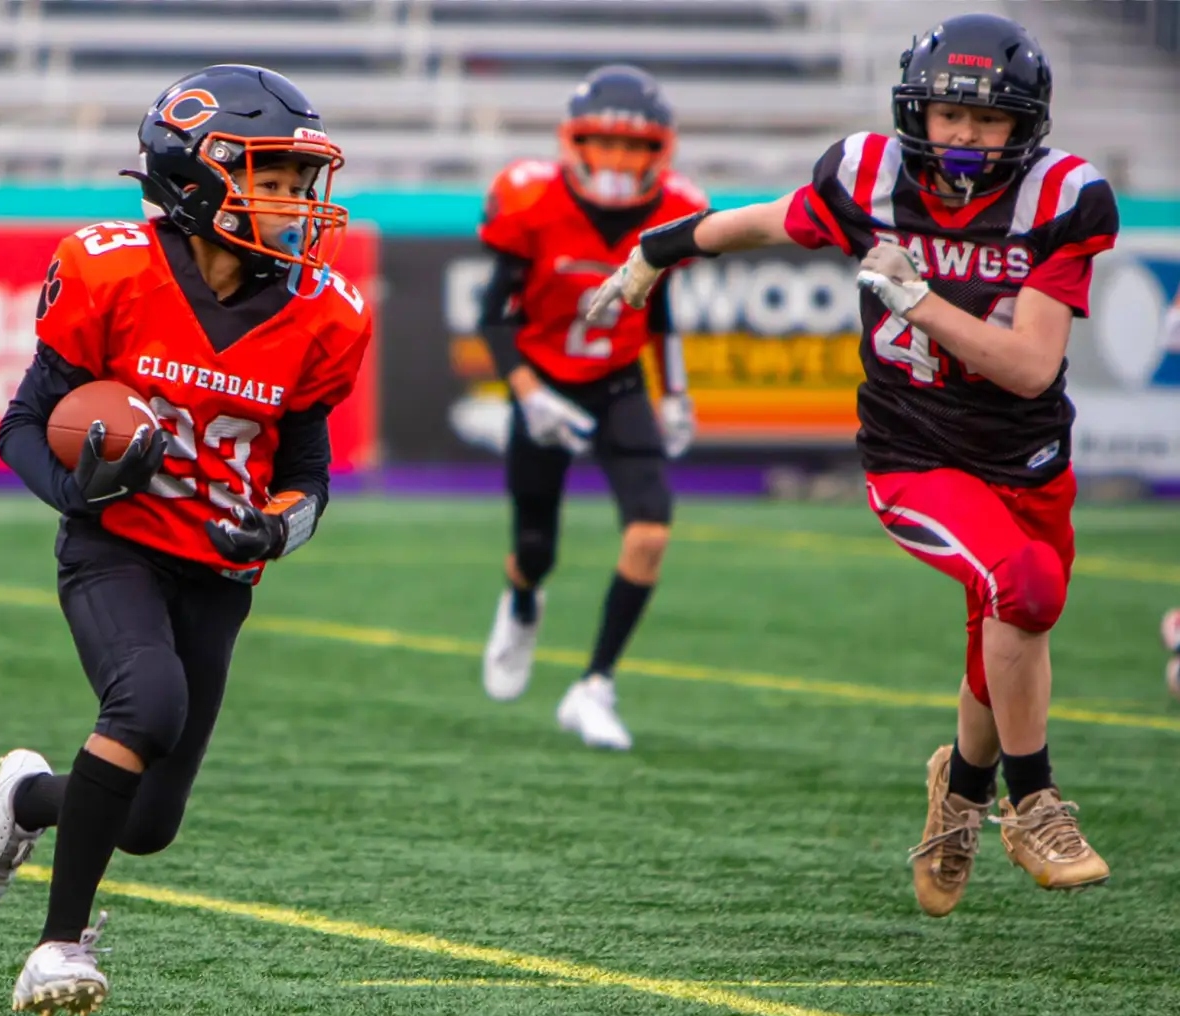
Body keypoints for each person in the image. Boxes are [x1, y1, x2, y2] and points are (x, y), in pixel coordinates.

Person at [588, 13, 1116, 912]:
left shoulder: (1060, 198)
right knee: (1022, 588)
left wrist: (918, 300)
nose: (965, 136)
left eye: (988, 122)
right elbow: (766, 222)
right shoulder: (865, 174)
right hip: (913, 452)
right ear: (917, 111)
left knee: (1011, 627)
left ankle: (959, 792)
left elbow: (1028, 366)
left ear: (1026, 125)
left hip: (1026, 457)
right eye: (949, 115)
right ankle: (1032, 801)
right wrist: (655, 250)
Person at [0, 64, 372, 1016]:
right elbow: (23, 422)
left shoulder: (323, 310)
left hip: (219, 572)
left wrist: (274, 526)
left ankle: (26, 801)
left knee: (146, 822)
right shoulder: (111, 269)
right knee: (147, 702)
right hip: (117, 546)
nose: (298, 203)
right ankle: (56, 944)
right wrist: (75, 488)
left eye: (302, 182)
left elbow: (311, 474)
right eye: (273, 177)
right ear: (197, 176)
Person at [476, 64, 707, 751]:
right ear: (574, 142)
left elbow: (658, 306)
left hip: (617, 386)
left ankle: (594, 684)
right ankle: (521, 602)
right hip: (544, 381)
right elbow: (494, 317)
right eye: (605, 144)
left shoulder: (674, 206)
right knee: (535, 549)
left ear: (658, 152)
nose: (617, 162)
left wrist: (677, 391)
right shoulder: (532, 201)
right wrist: (529, 395)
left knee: (651, 530)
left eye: (633, 148)